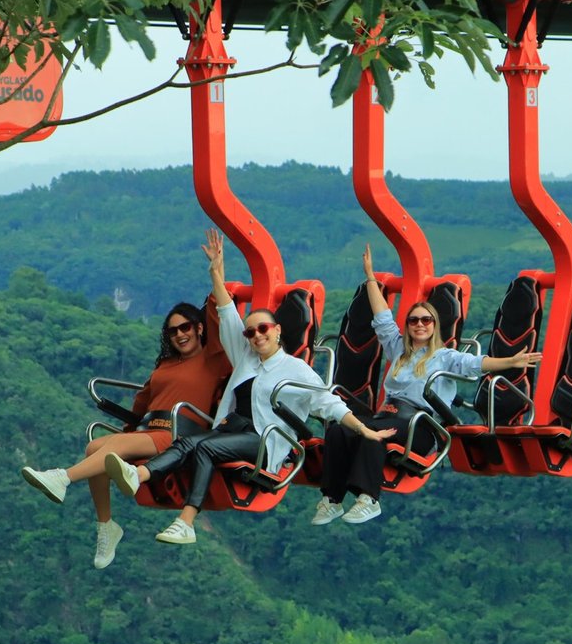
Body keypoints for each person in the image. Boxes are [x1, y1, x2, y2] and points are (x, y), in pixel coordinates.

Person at [103, 233, 394, 545]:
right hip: (231, 431)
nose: (257, 336)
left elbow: (329, 404)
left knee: (204, 447)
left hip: (263, 442)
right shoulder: (245, 359)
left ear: (278, 331)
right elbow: (227, 313)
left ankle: (186, 520)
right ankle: (140, 475)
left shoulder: (295, 369)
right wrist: (216, 273)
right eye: (251, 331)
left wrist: (365, 431)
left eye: (263, 329)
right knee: (188, 443)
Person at [21, 232, 233, 568]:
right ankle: (106, 527)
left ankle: (62, 477)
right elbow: (144, 399)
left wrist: (216, 270)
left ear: (199, 328)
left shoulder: (214, 358)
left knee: (109, 451)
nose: (180, 334)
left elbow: (223, 315)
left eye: (187, 327)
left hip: (181, 432)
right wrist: (129, 425)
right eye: (173, 330)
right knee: (96, 448)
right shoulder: (166, 364)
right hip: (151, 428)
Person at [310, 244, 542, 525]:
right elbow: (382, 316)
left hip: (420, 426)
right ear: (407, 326)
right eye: (414, 320)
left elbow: (476, 364)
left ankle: (368, 498)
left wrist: (510, 362)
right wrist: (371, 277)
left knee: (372, 431)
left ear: (435, 326)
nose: (420, 325)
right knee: (339, 430)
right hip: (388, 416)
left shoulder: (444, 357)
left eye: (426, 320)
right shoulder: (397, 349)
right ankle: (332, 499)